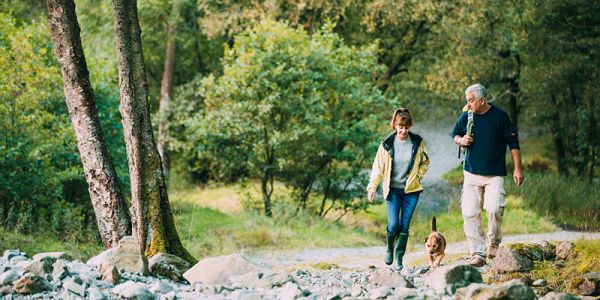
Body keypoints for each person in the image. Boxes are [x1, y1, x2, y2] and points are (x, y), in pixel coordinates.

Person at [452, 83, 524, 267]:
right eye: (467, 101)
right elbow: (454, 134)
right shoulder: (467, 116)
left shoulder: (500, 117)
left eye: (471, 101)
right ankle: (477, 252)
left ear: (482, 100)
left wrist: (518, 169)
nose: (468, 104)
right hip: (471, 173)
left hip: (494, 175)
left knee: (494, 209)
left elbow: (513, 144)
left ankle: (493, 244)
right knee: (469, 212)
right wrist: (462, 140)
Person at [366, 108, 430, 271]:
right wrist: (372, 187)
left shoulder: (417, 142)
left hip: (411, 191)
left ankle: (399, 257)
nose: (403, 131)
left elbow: (425, 162)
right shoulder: (386, 144)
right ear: (395, 125)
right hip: (393, 191)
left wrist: (418, 176)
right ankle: (389, 248)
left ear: (410, 127)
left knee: (404, 225)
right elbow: (378, 168)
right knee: (394, 224)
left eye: (406, 128)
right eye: (400, 127)